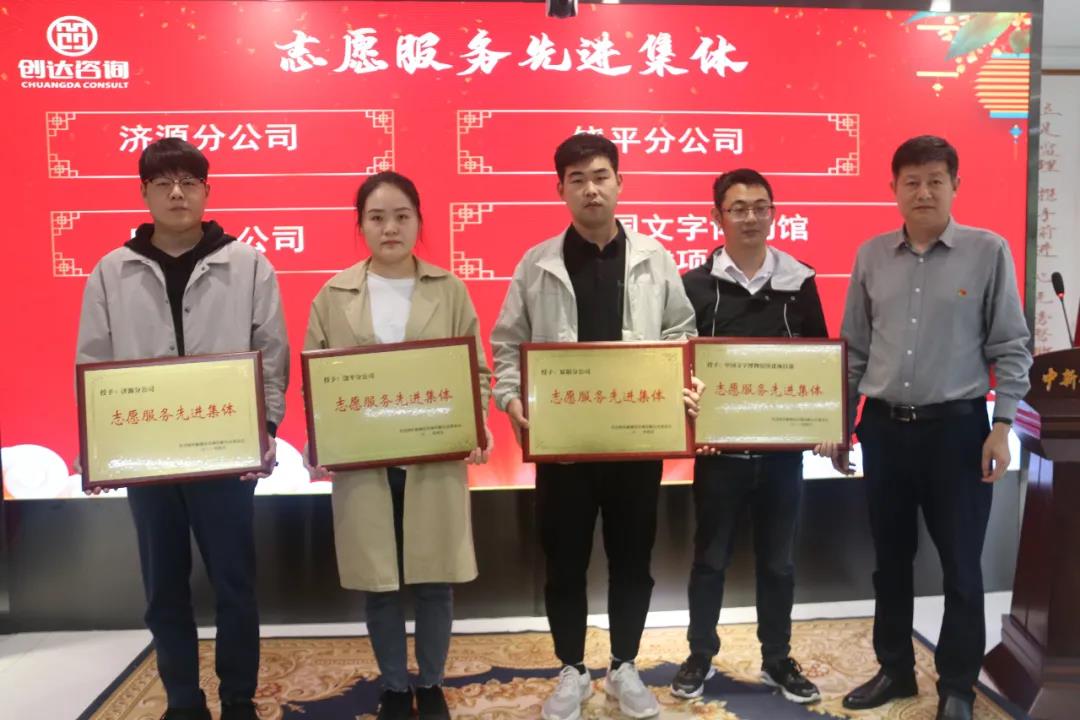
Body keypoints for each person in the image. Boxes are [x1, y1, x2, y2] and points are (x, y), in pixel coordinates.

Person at [815, 136, 1032, 720]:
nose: (924, 192)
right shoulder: (871, 255)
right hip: (884, 431)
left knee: (962, 566)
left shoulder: (988, 251)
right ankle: (895, 670)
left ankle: (957, 686)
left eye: (936, 180)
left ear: (955, 185)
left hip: (958, 433)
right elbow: (854, 350)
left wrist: (1003, 425)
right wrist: (841, 422)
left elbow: (1011, 346)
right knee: (890, 560)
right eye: (911, 181)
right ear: (893, 189)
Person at [75, 137, 289, 720]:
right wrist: (101, 447)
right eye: (163, 183)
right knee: (164, 589)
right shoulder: (112, 271)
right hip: (150, 459)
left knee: (235, 584)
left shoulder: (247, 264)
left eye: (189, 181)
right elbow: (94, 362)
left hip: (226, 455)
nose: (177, 193)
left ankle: (238, 697)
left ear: (206, 191)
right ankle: (183, 701)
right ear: (144, 193)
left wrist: (265, 427)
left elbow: (271, 352)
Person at [490, 133, 701, 720]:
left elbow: (682, 332)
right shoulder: (536, 263)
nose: (591, 189)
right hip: (565, 448)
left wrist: (681, 382)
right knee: (565, 563)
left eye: (601, 176)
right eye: (577, 179)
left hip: (636, 443)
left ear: (620, 183)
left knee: (633, 561)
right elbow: (507, 345)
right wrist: (512, 399)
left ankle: (625, 667)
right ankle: (573, 670)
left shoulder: (655, 258)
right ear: (560, 189)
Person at [303, 171, 493, 720]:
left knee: (434, 579)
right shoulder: (333, 295)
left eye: (401, 216)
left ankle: (430, 684)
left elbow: (476, 373)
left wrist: (474, 427)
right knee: (379, 583)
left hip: (432, 458)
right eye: (377, 217)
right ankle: (392, 685)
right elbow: (317, 382)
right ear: (361, 225)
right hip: (365, 463)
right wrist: (322, 439)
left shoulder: (449, 289)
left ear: (418, 222)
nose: (390, 227)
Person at [670, 169, 825, 704]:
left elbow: (819, 361)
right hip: (720, 454)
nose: (751, 217)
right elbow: (677, 365)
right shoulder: (694, 286)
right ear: (717, 216)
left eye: (761, 207)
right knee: (709, 560)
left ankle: (777, 659)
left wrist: (822, 426)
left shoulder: (799, 281)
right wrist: (695, 425)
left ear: (773, 214)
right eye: (738, 208)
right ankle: (700, 655)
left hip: (782, 456)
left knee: (779, 563)